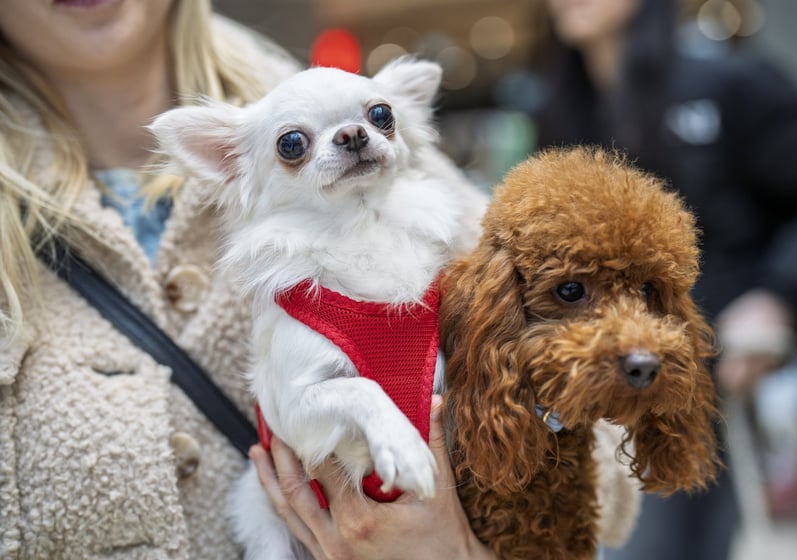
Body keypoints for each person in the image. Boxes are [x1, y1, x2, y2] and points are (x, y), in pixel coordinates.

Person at [0, 1, 642, 558]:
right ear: (237, 162)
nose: (357, 139)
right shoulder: (252, 172)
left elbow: (593, 423)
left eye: (379, 120)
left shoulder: (428, 210)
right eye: (294, 146)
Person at [536, 0, 797, 558]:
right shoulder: (563, 109)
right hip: (592, 387)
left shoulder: (728, 81)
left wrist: (777, 295)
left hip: (703, 375)